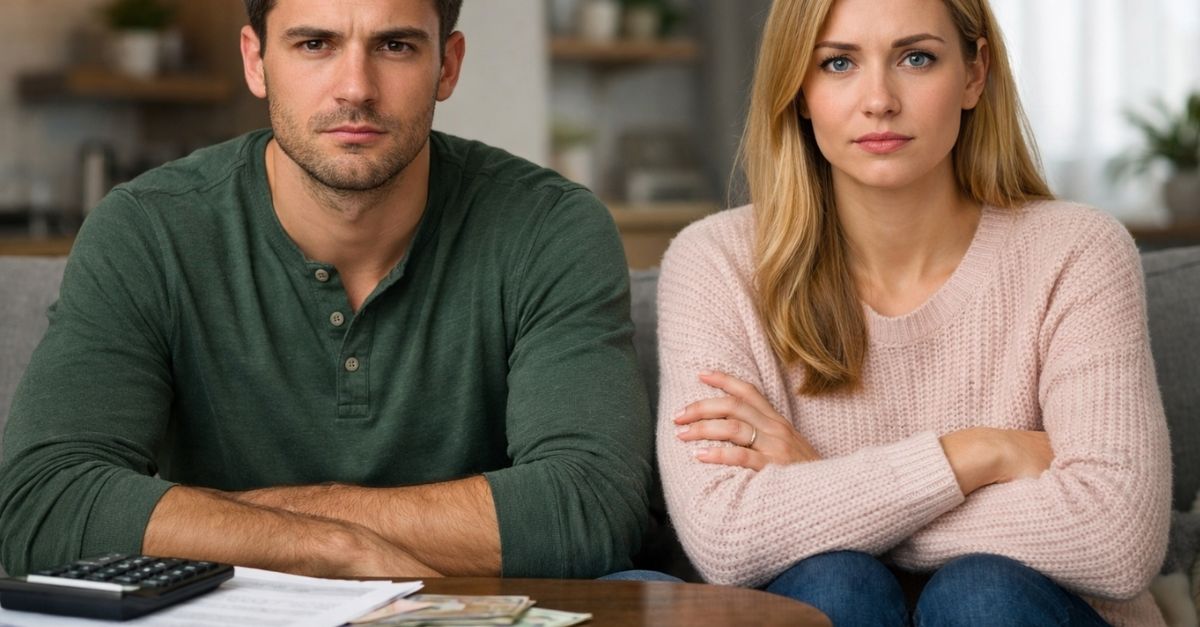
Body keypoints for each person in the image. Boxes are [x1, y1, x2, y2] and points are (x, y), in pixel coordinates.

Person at [0, 0, 652, 580]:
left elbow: (590, 504)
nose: (355, 88)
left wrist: (274, 524)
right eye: (315, 44)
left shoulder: (550, 226)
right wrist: (325, 546)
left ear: (447, 66)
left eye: (395, 45)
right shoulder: (147, 230)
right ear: (256, 61)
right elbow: (44, 501)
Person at [656, 0, 1171, 624]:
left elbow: (1116, 538)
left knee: (981, 593)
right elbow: (726, 538)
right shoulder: (716, 262)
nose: (879, 100)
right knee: (836, 582)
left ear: (974, 75)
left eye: (916, 58)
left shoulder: (1078, 251)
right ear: (798, 88)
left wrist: (825, 488)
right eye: (839, 63)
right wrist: (980, 453)